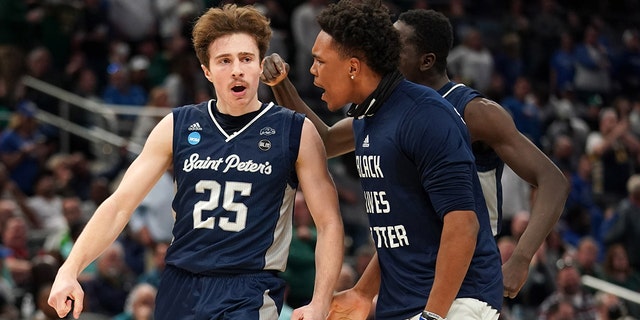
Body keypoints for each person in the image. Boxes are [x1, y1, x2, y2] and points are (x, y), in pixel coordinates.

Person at [47, 4, 344, 320]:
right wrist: (70, 268)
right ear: (206, 70)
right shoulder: (177, 125)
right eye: (224, 61)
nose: (237, 70)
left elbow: (328, 222)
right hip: (180, 286)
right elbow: (120, 204)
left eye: (246, 59)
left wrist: (321, 301)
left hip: (248, 290)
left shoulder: (296, 130)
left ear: (260, 65)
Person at [261, 7, 568, 300]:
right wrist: (281, 85)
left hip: (467, 266)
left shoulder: (474, 111)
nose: (387, 51)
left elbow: (552, 180)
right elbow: (325, 142)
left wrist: (521, 258)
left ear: (426, 60)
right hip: (415, 266)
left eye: (398, 46)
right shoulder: (386, 108)